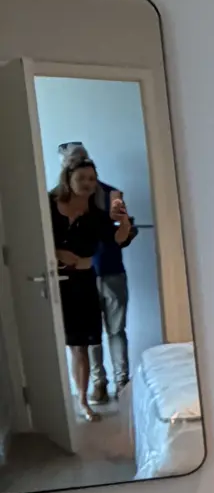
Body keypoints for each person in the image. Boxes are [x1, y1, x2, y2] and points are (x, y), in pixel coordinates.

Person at [57, 141, 135, 399]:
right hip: (84, 277)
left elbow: (123, 234)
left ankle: (112, 384)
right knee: (97, 334)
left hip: (106, 271)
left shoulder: (112, 196)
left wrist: (122, 221)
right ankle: (108, 384)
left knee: (104, 333)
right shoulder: (58, 203)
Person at [49, 157, 115, 422]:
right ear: (68, 179)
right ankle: (52, 404)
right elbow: (32, 238)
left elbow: (113, 241)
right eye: (82, 178)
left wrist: (124, 226)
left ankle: (83, 401)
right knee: (52, 344)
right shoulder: (49, 206)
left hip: (83, 283)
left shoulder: (97, 215)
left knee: (81, 346)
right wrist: (56, 252)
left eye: (91, 179)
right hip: (51, 280)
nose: (87, 184)